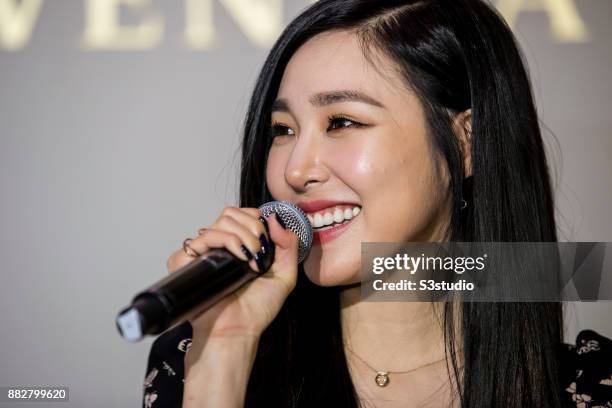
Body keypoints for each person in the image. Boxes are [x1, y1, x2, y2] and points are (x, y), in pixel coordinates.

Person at [142, 0, 612, 407]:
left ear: (468, 142)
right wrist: (225, 346)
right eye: (283, 130)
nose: (295, 171)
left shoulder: (592, 385)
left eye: (342, 122)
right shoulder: (196, 360)